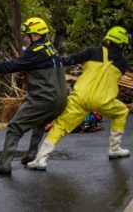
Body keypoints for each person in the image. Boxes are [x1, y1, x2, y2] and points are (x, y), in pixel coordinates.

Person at [28, 26, 131, 171]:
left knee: (61, 125)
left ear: (108, 40)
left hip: (80, 97)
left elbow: (70, 59)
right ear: (121, 44)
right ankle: (114, 148)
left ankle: (40, 159)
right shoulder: (123, 62)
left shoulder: (93, 51)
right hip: (103, 100)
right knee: (121, 112)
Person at [0, 17, 68, 174]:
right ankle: (31, 154)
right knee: (39, 122)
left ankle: (4, 165)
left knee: (14, 128)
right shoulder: (51, 48)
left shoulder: (34, 51)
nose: (25, 38)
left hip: (44, 98)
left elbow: (13, 65)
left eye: (27, 35)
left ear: (36, 36)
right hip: (60, 100)